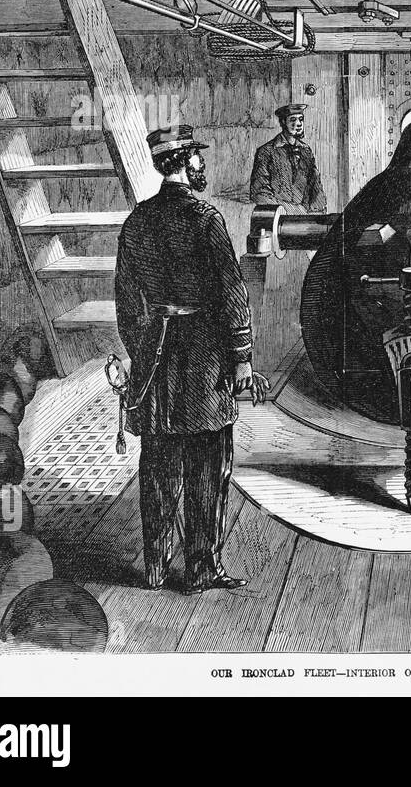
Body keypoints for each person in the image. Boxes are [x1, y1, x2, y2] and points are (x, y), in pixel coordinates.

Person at [115, 125, 269, 594]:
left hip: (156, 360)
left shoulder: (137, 221)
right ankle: (201, 568)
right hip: (203, 357)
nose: (202, 164)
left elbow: (127, 303)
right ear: (185, 161)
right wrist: (241, 357)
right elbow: (231, 292)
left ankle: (156, 567)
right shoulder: (206, 218)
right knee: (206, 464)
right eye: (197, 157)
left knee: (159, 464)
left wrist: (144, 350)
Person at [249, 102, 327, 212]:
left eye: (301, 119)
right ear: (283, 122)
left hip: (306, 220)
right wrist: (291, 210)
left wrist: (317, 213)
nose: (299, 124)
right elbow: (259, 193)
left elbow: (316, 187)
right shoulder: (267, 151)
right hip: (277, 218)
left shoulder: (306, 151)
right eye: (293, 120)